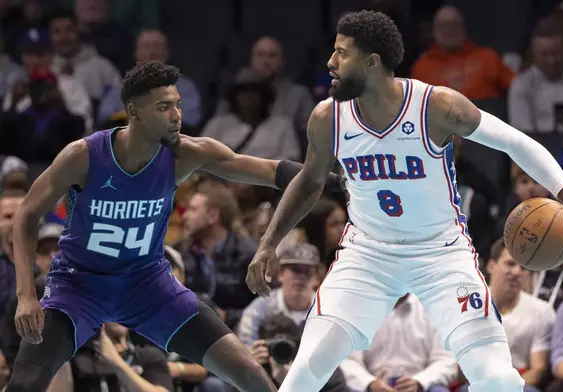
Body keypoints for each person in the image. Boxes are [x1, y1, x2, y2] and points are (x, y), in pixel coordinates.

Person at [246, 10, 563, 392]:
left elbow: (513, 141)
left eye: (342, 53)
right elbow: (309, 182)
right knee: (304, 371)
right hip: (368, 255)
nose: (330, 62)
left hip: (441, 253)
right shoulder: (327, 118)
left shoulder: (435, 107)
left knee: (498, 379)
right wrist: (268, 243)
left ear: (372, 62)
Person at [5, 60, 344, 392]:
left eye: (178, 105)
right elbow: (27, 215)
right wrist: (26, 294)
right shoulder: (83, 156)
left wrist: (335, 180)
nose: (176, 115)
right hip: (78, 287)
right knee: (25, 383)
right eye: (163, 107)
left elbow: (267, 170)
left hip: (147, 285)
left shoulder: (186, 154)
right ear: (134, 111)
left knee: (249, 373)